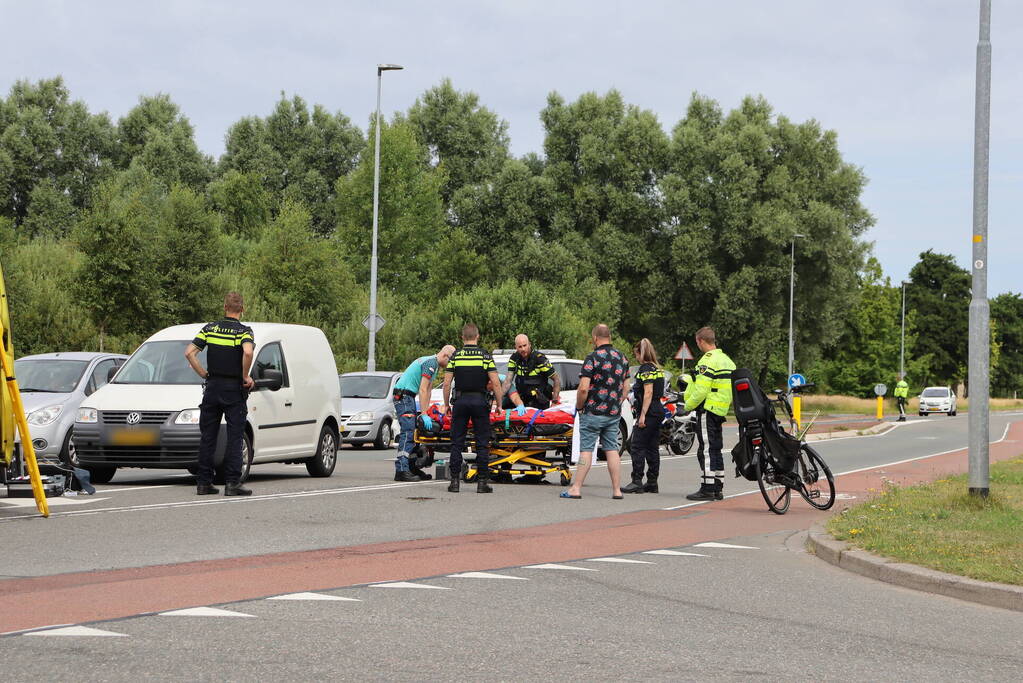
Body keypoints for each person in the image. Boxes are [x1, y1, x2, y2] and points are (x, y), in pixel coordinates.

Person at [184, 292, 255, 497]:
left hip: (212, 387)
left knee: (208, 436)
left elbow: (189, 352)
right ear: (242, 309)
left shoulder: (210, 328)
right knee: (234, 436)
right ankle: (232, 483)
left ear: (224, 307)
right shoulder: (244, 331)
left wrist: (204, 373)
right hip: (233, 388)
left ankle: (204, 483)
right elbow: (248, 352)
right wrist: (245, 376)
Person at [561, 324, 629, 500]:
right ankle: (616, 490)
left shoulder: (592, 358)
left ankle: (576, 488)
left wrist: (579, 406)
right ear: (610, 337)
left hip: (592, 412)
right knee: (612, 449)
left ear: (595, 338)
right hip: (613, 413)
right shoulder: (622, 358)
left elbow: (583, 388)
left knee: (586, 450)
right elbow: (626, 388)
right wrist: (616, 403)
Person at [443, 324, 502, 493]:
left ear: (462, 338)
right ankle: (482, 483)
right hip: (480, 401)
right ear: (478, 336)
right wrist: (499, 404)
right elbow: (496, 383)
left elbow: (447, 383)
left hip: (460, 402)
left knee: (456, 442)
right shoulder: (485, 356)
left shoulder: (456, 356)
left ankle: (454, 482)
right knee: (482, 443)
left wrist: (447, 404)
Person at [683, 326, 736, 501]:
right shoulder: (727, 360)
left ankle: (707, 488)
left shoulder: (707, 361)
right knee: (716, 449)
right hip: (720, 410)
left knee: (705, 450)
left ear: (700, 341)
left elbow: (701, 390)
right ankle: (718, 488)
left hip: (708, 409)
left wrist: (688, 405)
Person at [392, 345, 455, 482]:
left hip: (407, 397)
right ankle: (401, 470)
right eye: (451, 362)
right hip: (404, 397)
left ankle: (411, 468)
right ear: (445, 355)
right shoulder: (430, 363)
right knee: (408, 432)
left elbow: (429, 390)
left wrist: (425, 412)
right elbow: (423, 389)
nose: (450, 366)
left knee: (415, 433)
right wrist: (424, 413)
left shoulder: (434, 365)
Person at [622, 338, 665, 494]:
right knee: (652, 447)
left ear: (641, 353)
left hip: (649, 411)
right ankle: (652, 482)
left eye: (636, 354)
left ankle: (637, 481)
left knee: (637, 446)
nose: (636, 358)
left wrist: (642, 416)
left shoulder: (645, 368)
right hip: (658, 409)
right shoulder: (656, 369)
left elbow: (648, 392)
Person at [502, 334, 561, 411]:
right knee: (504, 404)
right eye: (520, 347)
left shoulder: (540, 359)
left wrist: (554, 402)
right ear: (515, 347)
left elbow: (556, 379)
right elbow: (507, 382)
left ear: (529, 344)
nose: (523, 349)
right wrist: (498, 399)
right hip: (522, 400)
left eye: (525, 345)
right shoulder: (514, 358)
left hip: (539, 401)